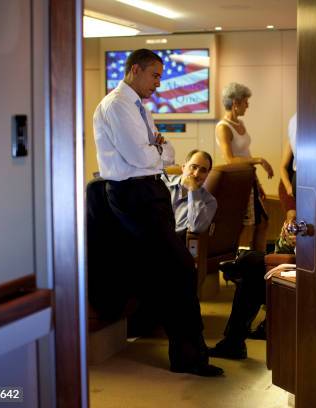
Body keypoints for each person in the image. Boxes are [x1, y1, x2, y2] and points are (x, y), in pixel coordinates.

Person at [92, 48, 222, 377]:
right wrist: (157, 148)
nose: (159, 84)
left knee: (173, 270)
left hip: (149, 191)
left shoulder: (138, 107)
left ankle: (190, 354)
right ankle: (190, 358)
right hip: (133, 193)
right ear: (135, 70)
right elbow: (141, 157)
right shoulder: (118, 105)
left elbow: (170, 151)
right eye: (155, 75)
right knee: (178, 268)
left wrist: (158, 148)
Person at [208, 221, 296, 359]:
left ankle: (238, 266)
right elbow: (279, 252)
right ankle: (233, 343)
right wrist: (288, 238)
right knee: (252, 268)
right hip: (295, 266)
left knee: (251, 268)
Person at [216, 82, 274, 252]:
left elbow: (245, 154)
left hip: (249, 178)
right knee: (241, 227)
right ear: (235, 103)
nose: (248, 105)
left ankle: (256, 262)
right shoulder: (223, 127)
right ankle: (234, 263)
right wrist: (260, 160)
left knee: (263, 222)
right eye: (245, 102)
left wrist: (257, 182)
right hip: (236, 181)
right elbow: (230, 159)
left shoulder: (240, 124)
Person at [163, 149, 217, 236]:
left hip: (175, 244)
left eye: (203, 170)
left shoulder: (209, 201)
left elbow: (197, 227)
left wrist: (193, 190)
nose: (196, 174)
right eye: (193, 167)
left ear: (207, 174)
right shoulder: (162, 182)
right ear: (183, 167)